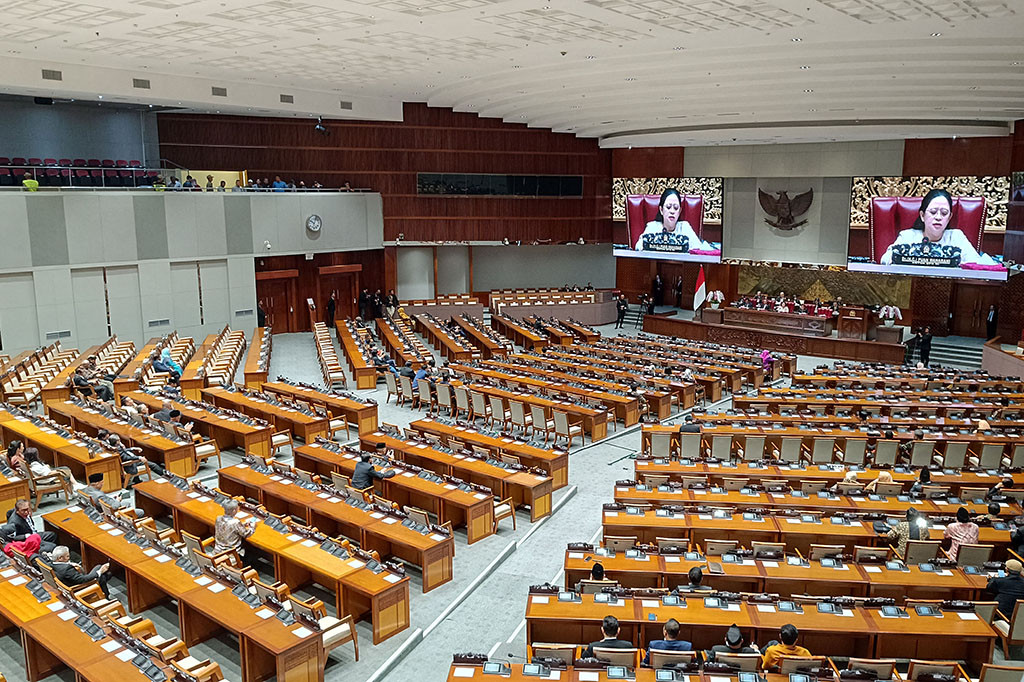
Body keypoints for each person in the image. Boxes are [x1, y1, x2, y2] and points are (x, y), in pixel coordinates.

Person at [879, 189, 990, 267]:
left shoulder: (957, 237)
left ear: (949, 217)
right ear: (922, 215)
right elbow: (885, 259)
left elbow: (976, 264)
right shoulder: (908, 236)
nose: (938, 217)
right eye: (933, 212)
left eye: (944, 213)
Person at [634, 188, 714, 252]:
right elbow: (638, 247)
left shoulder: (685, 227)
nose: (672, 211)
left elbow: (698, 249)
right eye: (668, 207)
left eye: (675, 208)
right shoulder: (653, 227)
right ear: (661, 210)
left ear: (679, 211)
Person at [48, 545, 112, 598]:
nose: (68, 558)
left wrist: (68, 564)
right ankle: (106, 596)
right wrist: (100, 572)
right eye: (67, 556)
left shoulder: (51, 565)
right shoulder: (67, 569)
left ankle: (107, 579)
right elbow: (83, 580)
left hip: (69, 583)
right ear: (60, 558)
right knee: (100, 572)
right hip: (80, 587)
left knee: (102, 571)